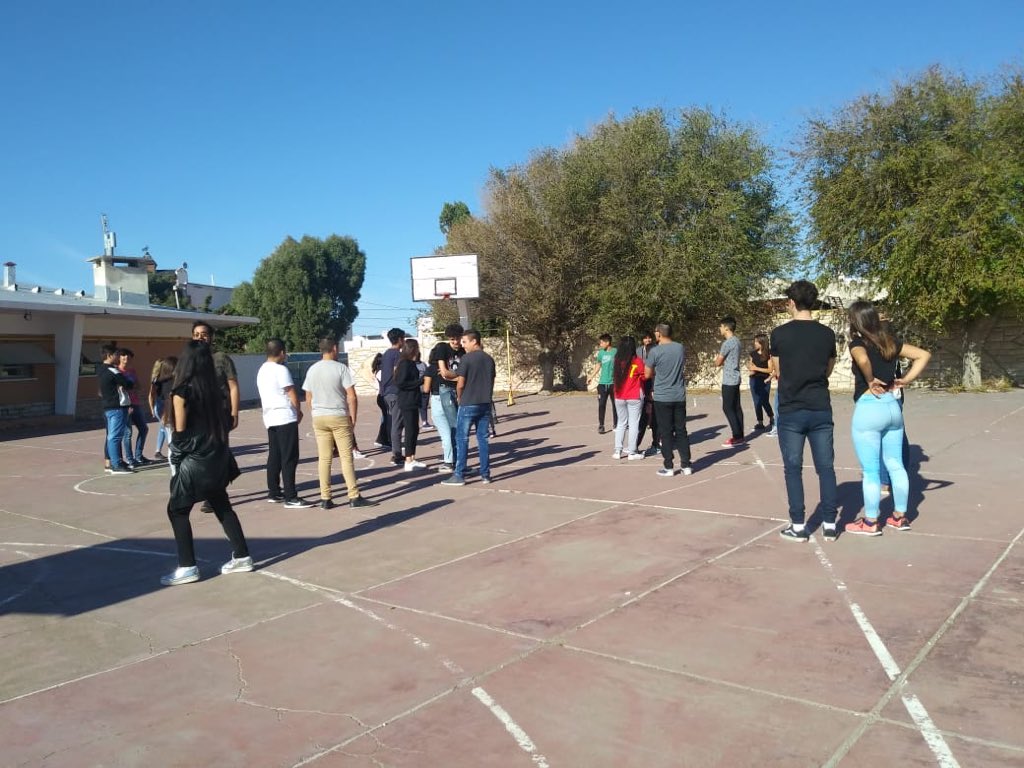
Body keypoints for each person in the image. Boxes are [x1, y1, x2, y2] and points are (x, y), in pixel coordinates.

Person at [161, 340, 252, 586]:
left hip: (195, 460)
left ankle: (187, 566)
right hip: (218, 457)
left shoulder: (181, 392)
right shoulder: (217, 392)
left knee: (177, 510)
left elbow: (179, 434)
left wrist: (177, 465)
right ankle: (242, 555)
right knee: (222, 505)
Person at [845, 301, 931, 535]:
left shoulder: (857, 342)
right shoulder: (890, 342)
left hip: (869, 408)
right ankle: (899, 517)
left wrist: (870, 379)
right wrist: (906, 380)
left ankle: (871, 522)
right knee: (896, 465)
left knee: (871, 470)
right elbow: (923, 355)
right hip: (893, 407)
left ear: (856, 321)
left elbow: (862, 359)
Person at [770, 280, 839, 542]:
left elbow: (778, 369)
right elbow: (828, 369)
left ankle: (798, 525)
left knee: (793, 467)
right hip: (820, 406)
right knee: (826, 467)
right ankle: (830, 523)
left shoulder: (779, 334)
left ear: (792, 303)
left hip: (791, 409)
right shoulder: (827, 334)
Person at [302, 336, 376, 509]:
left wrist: (316, 411)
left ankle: (325, 498)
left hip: (319, 417)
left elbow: (308, 397)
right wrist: (353, 418)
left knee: (324, 458)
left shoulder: (312, 369)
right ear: (334, 348)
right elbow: (351, 396)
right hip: (338, 415)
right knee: (346, 456)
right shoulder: (341, 368)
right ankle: (353, 495)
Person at [256, 338, 311, 508]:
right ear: (281, 353)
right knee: (289, 457)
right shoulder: (281, 370)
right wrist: (298, 412)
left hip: (270, 417)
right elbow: (292, 393)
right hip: (284, 416)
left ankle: (273, 491)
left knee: (275, 455)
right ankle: (291, 496)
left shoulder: (262, 370)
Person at [442, 329, 496, 486]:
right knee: (483, 439)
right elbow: (491, 381)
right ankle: (485, 474)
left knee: (462, 438)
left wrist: (459, 397)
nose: (462, 345)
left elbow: (460, 382)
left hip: (468, 403)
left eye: (465, 342)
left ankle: (459, 474)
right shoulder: (489, 359)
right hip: (485, 403)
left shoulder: (467, 359)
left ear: (474, 341)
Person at [644, 323, 692, 477]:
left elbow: (646, 374)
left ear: (659, 334)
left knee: (665, 432)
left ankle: (669, 466)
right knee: (681, 430)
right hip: (679, 395)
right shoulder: (679, 347)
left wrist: (656, 373)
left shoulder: (655, 351)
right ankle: (686, 465)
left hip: (663, 396)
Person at [426, 324, 464, 473]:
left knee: (458, 425)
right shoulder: (442, 348)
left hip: (458, 391)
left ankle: (454, 461)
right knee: (452, 426)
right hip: (446, 390)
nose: (455, 342)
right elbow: (444, 373)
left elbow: (458, 373)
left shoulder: (463, 350)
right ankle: (453, 461)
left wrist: (458, 378)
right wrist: (460, 378)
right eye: (452, 339)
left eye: (457, 338)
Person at [96, 342, 134, 474]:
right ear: (109, 355)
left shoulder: (100, 369)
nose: (118, 357)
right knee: (115, 436)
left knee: (114, 435)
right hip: (116, 406)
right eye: (116, 354)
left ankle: (117, 461)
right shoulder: (113, 370)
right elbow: (128, 384)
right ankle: (116, 464)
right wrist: (125, 382)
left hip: (109, 406)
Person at [395, 338, 428, 471]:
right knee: (410, 430)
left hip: (412, 400)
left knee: (414, 429)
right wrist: (420, 381)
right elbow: (401, 383)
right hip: (407, 400)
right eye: (417, 348)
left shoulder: (409, 363)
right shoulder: (405, 364)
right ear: (413, 349)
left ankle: (412, 457)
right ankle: (408, 459)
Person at [611, 336, 646, 460]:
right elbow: (644, 377)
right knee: (633, 423)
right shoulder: (637, 361)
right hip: (634, 395)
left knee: (621, 423)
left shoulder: (616, 361)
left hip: (619, 395)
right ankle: (632, 452)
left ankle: (617, 451)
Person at [118, 348, 151, 467]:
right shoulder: (117, 371)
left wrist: (134, 388)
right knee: (128, 432)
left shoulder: (132, 371)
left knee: (144, 428)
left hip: (135, 403)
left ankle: (139, 455)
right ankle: (130, 460)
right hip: (124, 405)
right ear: (119, 357)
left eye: (128, 357)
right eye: (123, 356)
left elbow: (138, 385)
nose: (126, 359)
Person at [715, 317, 745, 447]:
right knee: (736, 407)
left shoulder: (727, 343)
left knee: (727, 407)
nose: (720, 329)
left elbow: (718, 362)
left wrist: (716, 361)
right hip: (736, 376)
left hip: (729, 379)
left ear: (726, 328)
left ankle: (737, 436)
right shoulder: (737, 341)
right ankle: (740, 435)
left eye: (721, 327)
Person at [379, 328, 406, 466]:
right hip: (395, 392)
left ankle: (396, 450)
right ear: (400, 339)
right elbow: (397, 373)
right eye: (404, 338)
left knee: (393, 422)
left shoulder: (386, 354)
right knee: (397, 423)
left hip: (386, 392)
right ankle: (396, 454)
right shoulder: (397, 354)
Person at [636, 331, 660, 457]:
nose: (648, 339)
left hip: (655, 384)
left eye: (649, 337)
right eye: (645, 338)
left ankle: (656, 443)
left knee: (653, 413)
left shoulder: (657, 350)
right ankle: (636, 445)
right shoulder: (638, 351)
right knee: (647, 411)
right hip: (645, 382)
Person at [149, 357, 176, 460]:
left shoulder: (158, 379)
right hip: (162, 405)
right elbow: (151, 395)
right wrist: (152, 407)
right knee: (167, 430)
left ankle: (158, 451)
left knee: (162, 429)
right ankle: (169, 450)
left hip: (160, 405)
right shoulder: (161, 380)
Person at [747, 333, 775, 432]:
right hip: (754, 380)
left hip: (765, 380)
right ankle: (760, 422)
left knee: (764, 401)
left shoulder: (768, 354)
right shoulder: (753, 354)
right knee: (756, 402)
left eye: (756, 342)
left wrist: (756, 368)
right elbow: (751, 366)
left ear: (762, 343)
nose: (755, 343)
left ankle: (771, 417)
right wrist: (751, 370)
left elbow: (770, 369)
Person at [593, 334, 618, 434]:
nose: (600, 344)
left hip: (613, 383)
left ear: (608, 342)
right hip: (602, 384)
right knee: (601, 404)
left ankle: (616, 424)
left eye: (602, 342)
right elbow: (598, 364)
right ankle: (601, 425)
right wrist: (591, 376)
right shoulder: (601, 353)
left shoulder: (615, 352)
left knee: (615, 405)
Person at [371, 352, 391, 449]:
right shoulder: (380, 372)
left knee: (386, 418)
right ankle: (382, 439)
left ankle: (384, 438)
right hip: (382, 397)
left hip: (382, 396)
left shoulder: (379, 371)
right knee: (387, 419)